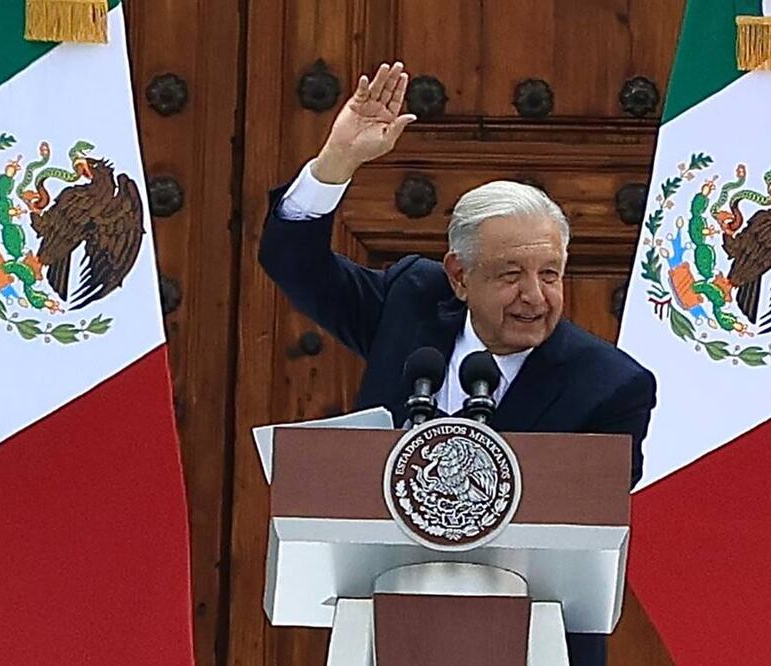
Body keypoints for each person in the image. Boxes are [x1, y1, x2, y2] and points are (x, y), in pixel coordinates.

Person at [259, 61, 657, 666]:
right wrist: (335, 163)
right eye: (509, 275)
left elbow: (586, 526)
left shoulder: (611, 386)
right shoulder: (410, 304)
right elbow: (296, 265)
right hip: (383, 624)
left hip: (533, 639)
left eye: (550, 274)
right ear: (459, 276)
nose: (535, 295)